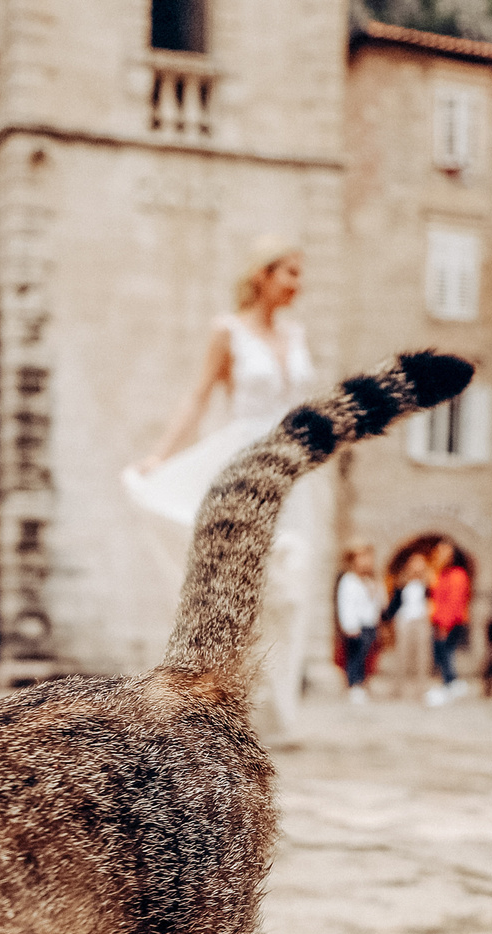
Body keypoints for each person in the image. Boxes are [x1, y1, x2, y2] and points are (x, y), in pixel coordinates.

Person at [123, 236, 322, 736]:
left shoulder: (297, 336)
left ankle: (277, 709)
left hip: (293, 469)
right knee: (242, 581)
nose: (299, 283)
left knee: (292, 587)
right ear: (263, 275)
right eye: (290, 272)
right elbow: (198, 397)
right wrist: (160, 456)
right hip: (243, 466)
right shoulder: (228, 331)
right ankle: (225, 699)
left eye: (300, 273)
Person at [425, 538, 472, 706]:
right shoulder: (440, 574)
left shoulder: (458, 574)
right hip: (439, 621)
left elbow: (454, 602)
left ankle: (451, 683)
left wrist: (445, 624)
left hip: (451, 622)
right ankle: (448, 683)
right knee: (442, 654)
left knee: (447, 653)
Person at [385, 546, 434, 700]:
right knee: (402, 654)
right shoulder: (402, 583)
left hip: (421, 621)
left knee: (422, 655)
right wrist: (386, 620)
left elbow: (432, 601)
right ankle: (398, 688)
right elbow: (394, 604)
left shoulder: (427, 584)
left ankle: (421, 688)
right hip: (404, 620)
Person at [335, 544, 381, 702]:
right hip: (356, 625)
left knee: (366, 656)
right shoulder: (349, 580)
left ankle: (362, 683)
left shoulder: (369, 580)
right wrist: (349, 625)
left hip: (370, 623)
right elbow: (345, 604)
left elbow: (377, 603)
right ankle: (353, 685)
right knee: (355, 656)